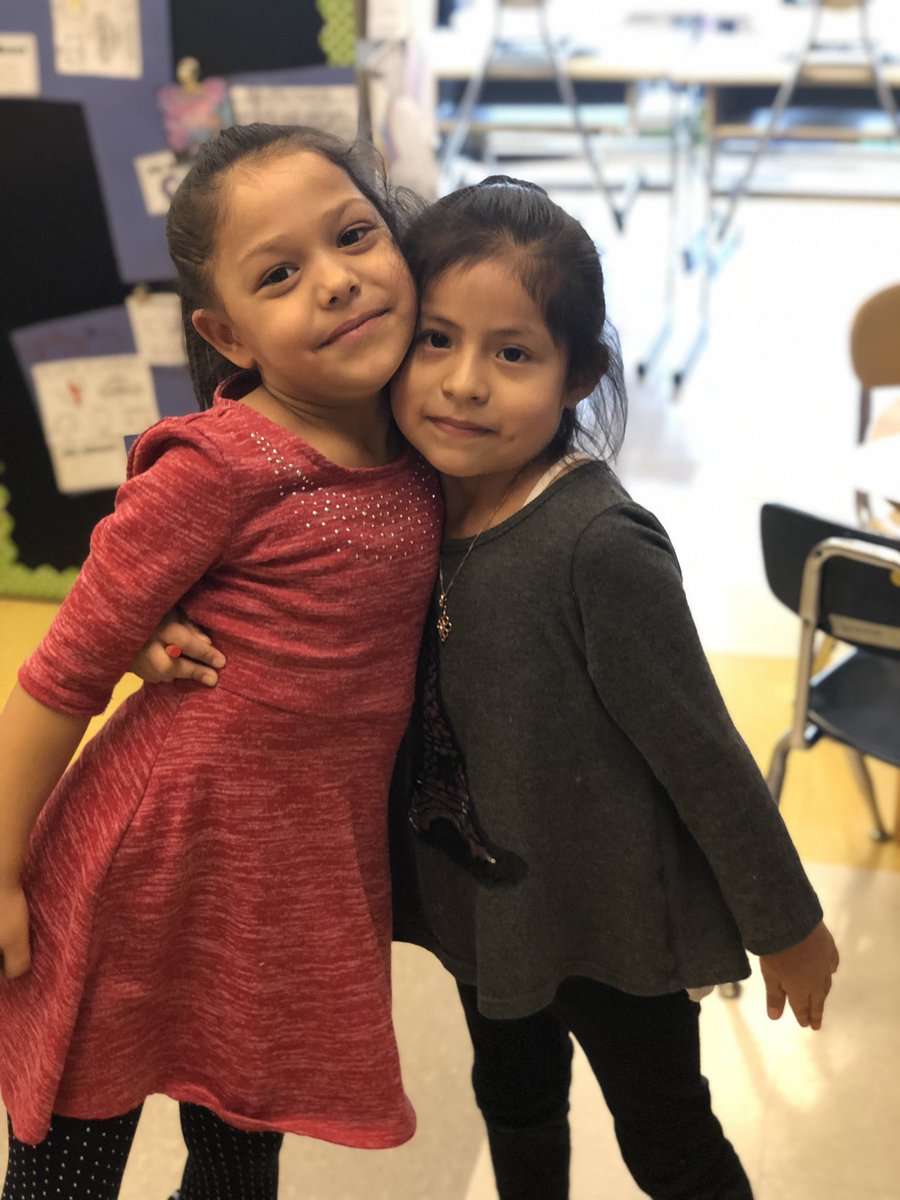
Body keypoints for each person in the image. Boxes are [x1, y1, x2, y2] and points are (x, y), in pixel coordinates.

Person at [137, 176, 840, 1200]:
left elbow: (703, 751)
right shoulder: (397, 502)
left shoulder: (599, 545)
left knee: (668, 1139)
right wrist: (153, 618)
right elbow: (224, 540)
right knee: (513, 1100)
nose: (464, 383)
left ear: (576, 375)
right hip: (482, 904)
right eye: (436, 340)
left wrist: (786, 924)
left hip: (608, 917)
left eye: (512, 354)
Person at [0, 123, 442, 1200]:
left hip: (282, 891)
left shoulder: (432, 437)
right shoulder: (220, 464)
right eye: (279, 274)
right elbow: (63, 673)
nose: (334, 281)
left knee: (242, 1158)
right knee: (69, 1169)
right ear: (226, 333)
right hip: (145, 870)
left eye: (355, 235)